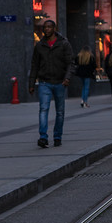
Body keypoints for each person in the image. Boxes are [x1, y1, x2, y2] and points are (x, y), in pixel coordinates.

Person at [28, 19, 74, 148]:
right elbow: (34, 65)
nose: (47, 29)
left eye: (49, 27)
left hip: (60, 82)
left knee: (60, 112)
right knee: (43, 109)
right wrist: (31, 83)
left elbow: (70, 63)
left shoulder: (64, 43)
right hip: (44, 83)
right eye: (45, 27)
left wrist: (67, 78)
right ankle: (43, 137)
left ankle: (57, 136)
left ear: (54, 28)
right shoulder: (39, 46)